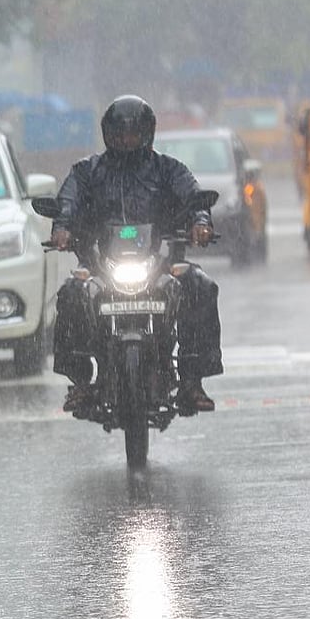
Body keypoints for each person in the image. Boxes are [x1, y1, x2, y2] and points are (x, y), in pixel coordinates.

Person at [48, 95, 224, 415]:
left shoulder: (169, 169)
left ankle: (192, 379)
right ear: (107, 134)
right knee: (71, 293)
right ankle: (81, 382)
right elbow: (68, 202)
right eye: (120, 133)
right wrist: (62, 227)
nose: (126, 140)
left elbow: (195, 198)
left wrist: (200, 223)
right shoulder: (88, 171)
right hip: (101, 264)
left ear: (147, 133)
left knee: (199, 285)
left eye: (133, 133)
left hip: (157, 263)